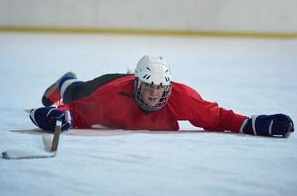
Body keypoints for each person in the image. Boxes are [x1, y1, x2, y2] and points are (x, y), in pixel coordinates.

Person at [29, 55, 294, 138]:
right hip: (112, 83)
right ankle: (67, 80)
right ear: (138, 84)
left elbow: (218, 118)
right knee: (78, 90)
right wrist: (59, 115)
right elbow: (76, 111)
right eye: (149, 87)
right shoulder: (112, 96)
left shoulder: (182, 96)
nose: (155, 94)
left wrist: (253, 123)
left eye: (160, 87)